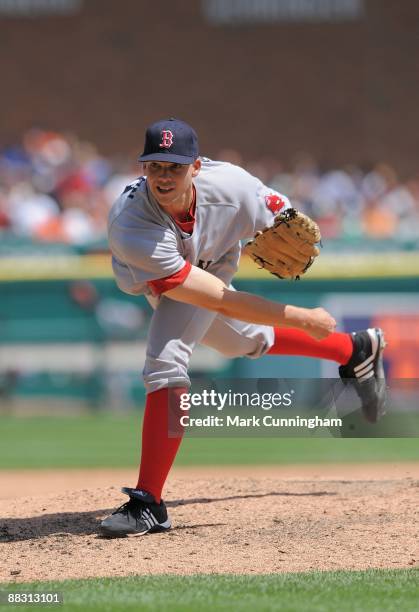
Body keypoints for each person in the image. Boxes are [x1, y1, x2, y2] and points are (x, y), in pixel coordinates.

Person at [100, 118, 386, 537]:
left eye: (174, 166)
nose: (164, 176)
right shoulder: (131, 223)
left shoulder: (233, 186)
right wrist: (302, 316)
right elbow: (215, 298)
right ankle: (353, 349)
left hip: (214, 258)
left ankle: (149, 503)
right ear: (141, 167)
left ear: (196, 166)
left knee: (165, 365)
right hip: (164, 274)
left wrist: (281, 221)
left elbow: (286, 216)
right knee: (240, 341)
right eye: (155, 165)